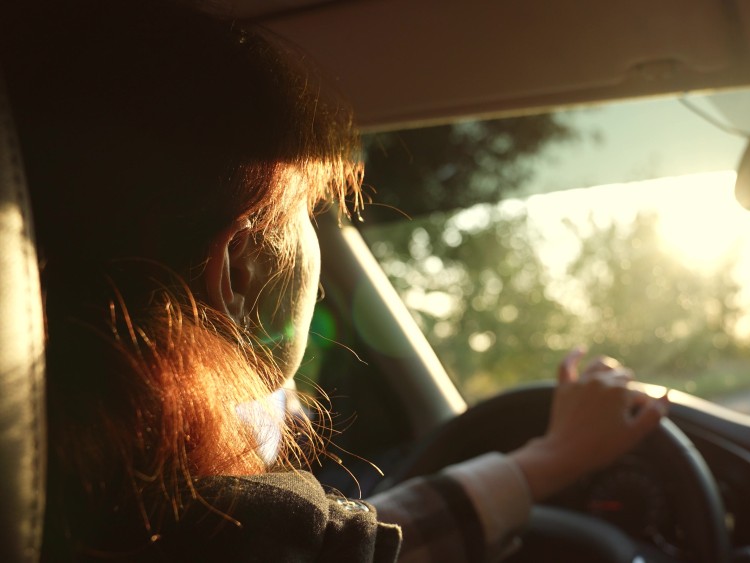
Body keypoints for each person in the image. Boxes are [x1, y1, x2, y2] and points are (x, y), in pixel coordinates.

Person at [0, 1, 669, 561]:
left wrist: (545, 459)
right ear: (238, 267)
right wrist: (554, 458)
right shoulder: (236, 532)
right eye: (306, 212)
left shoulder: (70, 510)